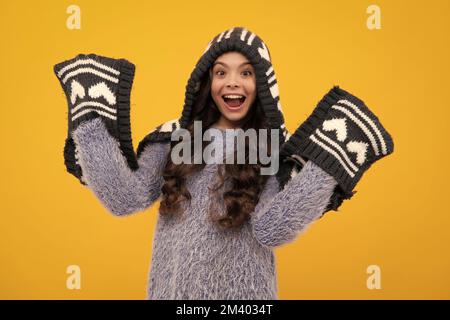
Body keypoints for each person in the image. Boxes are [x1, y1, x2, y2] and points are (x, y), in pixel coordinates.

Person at [53, 27, 394, 300]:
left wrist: (326, 161)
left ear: (261, 86)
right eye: (221, 72)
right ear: (206, 83)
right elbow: (124, 198)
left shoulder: (268, 149)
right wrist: (90, 120)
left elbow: (272, 228)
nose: (233, 81)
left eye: (246, 72)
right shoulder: (174, 139)